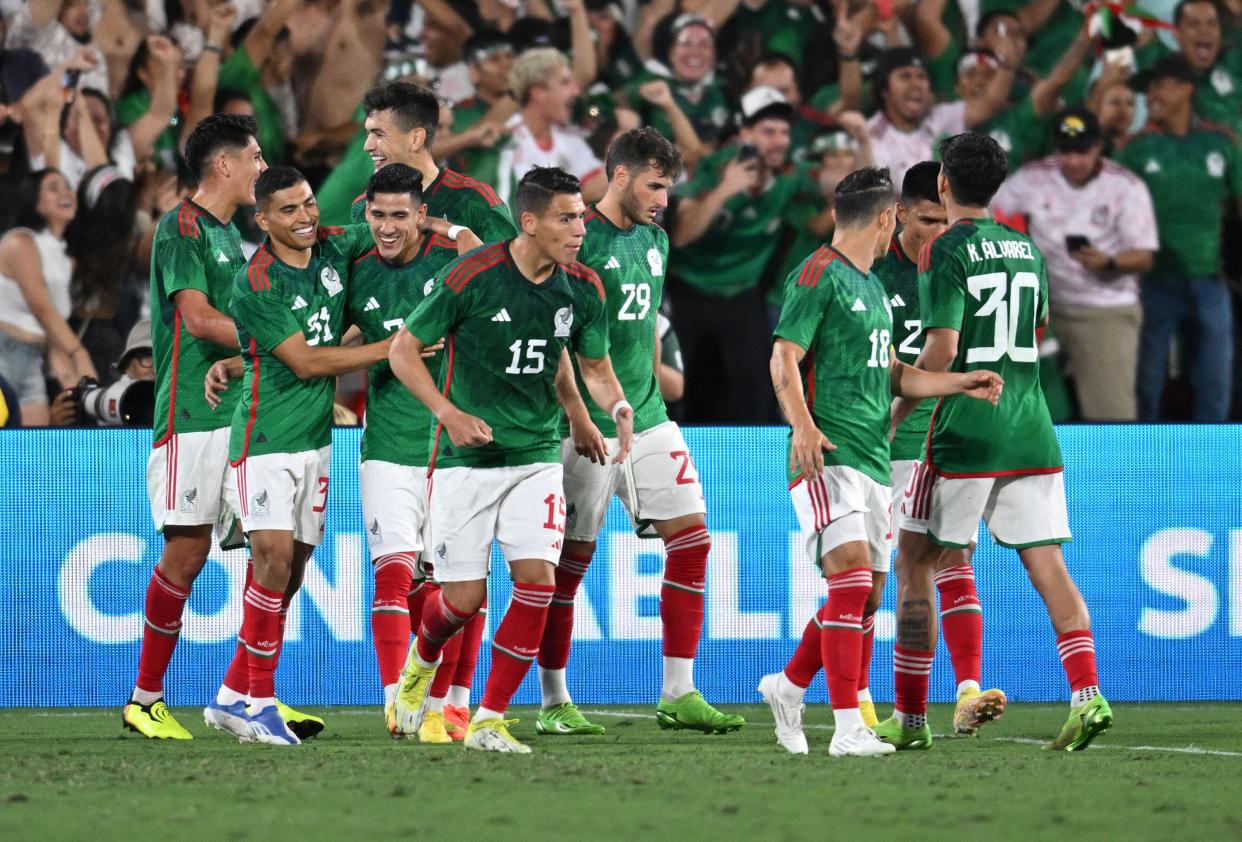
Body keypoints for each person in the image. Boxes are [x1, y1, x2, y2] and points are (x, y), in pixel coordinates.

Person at [759, 165, 1004, 757]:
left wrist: (956, 381)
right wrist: (804, 427)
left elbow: (892, 373)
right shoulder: (817, 274)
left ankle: (788, 688)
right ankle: (848, 727)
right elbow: (782, 357)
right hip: (827, 456)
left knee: (866, 595)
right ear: (888, 217)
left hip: (873, 462)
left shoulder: (870, 285)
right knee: (849, 583)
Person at [387, 166, 633, 754]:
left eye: (580, 217)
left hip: (534, 456)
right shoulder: (472, 274)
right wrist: (447, 412)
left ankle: (489, 719)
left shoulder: (583, 287)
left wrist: (613, 405)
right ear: (530, 221)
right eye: (567, 218)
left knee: (538, 584)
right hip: (463, 462)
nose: (580, 229)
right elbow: (403, 351)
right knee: (463, 600)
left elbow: (588, 365)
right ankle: (420, 664)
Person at [879, 132, 1112, 753]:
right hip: (1031, 426)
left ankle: (908, 720)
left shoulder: (944, 250)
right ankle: (1087, 694)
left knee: (915, 563)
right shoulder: (1027, 248)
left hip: (965, 431)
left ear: (945, 185)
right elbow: (1031, 332)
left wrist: (899, 408)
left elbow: (943, 348)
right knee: (1049, 566)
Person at [533, 128, 743, 737]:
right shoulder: (574, 240)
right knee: (568, 566)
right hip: (584, 426)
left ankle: (678, 691)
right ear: (618, 176)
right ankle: (553, 700)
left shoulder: (655, 241)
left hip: (647, 419)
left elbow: (644, 333)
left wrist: (642, 396)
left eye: (669, 187)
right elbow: (556, 342)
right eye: (655, 185)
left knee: (694, 541)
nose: (663, 199)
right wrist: (577, 414)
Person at [213, 166, 393, 746]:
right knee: (269, 563)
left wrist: (452, 230)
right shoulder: (256, 283)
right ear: (262, 220)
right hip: (265, 442)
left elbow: (395, 225)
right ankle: (258, 704)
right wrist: (392, 347)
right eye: (288, 210)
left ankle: (230, 694)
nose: (305, 217)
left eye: (309, 204)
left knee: (289, 575)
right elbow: (307, 362)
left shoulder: (335, 246)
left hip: (317, 440)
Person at [347, 163, 478, 741]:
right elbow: (330, 338)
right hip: (388, 446)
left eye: (401, 214)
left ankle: (453, 702)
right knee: (394, 576)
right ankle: (399, 703)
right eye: (378, 215)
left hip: (453, 450)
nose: (388, 226)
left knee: (457, 584)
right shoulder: (357, 274)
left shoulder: (456, 264)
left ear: (423, 215)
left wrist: (458, 236)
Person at [670, 86, 829, 423]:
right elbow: (682, 235)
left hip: (743, 293)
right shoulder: (715, 166)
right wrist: (725, 189)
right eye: (768, 132)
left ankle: (755, 469)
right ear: (744, 133)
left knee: (756, 389)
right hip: (689, 292)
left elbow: (823, 203)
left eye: (785, 132)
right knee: (688, 389)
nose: (779, 141)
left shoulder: (791, 176)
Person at [992, 109, 1158, 420]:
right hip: (1042, 311)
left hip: (1104, 308)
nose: (1073, 160)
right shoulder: (1032, 178)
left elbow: (1145, 255)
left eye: (1082, 151)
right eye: (1065, 151)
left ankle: (1112, 469)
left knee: (1112, 416)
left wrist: (1109, 262)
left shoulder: (1126, 187)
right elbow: (986, 215)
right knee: (1029, 410)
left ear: (1098, 146)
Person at [1116, 55, 1242, 421]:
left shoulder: (1220, 143)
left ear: (1186, 88)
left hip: (1210, 277)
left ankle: (1215, 458)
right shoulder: (1136, 148)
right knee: (1149, 377)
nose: (1150, 96)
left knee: (1216, 375)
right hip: (1153, 280)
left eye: (1159, 86)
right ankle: (1144, 454)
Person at [353, 80, 518, 243]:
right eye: (368, 134)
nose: (367, 146)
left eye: (379, 134)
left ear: (416, 138)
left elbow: (511, 267)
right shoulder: (363, 207)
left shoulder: (472, 200)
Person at [0, 168, 92, 426]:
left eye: (68, 186)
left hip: (32, 358)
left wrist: (70, 379)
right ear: (34, 200)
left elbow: (52, 326)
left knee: (31, 451)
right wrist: (80, 355)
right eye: (53, 187)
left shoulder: (65, 259)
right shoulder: (21, 241)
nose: (66, 193)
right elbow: (42, 308)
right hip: (5, 353)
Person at [865, 48, 1012, 189]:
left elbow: (989, 103)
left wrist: (1007, 63)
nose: (916, 84)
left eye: (921, 76)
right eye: (905, 76)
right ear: (884, 89)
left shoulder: (941, 116)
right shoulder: (872, 137)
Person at [496, 48, 606, 207]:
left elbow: (597, 184)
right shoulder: (508, 142)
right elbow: (530, 209)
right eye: (565, 82)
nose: (575, 91)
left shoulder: (568, 137)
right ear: (538, 93)